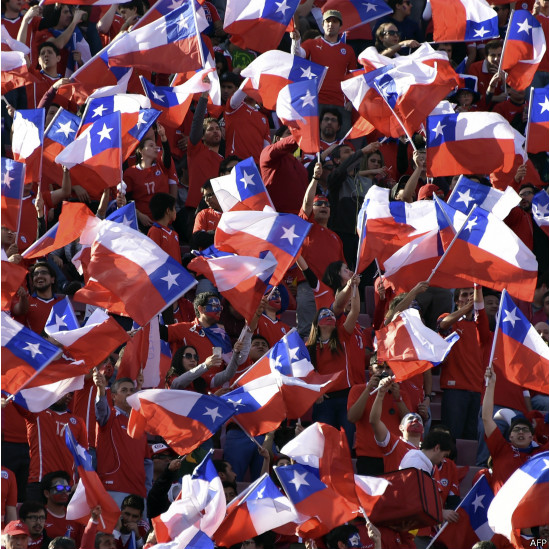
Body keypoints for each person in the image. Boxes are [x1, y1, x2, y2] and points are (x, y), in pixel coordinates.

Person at [306, 273, 361, 450]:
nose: (329, 315)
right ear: (317, 323)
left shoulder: (343, 335)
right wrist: (315, 393)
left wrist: (355, 287)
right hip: (324, 402)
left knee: (346, 445)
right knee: (325, 447)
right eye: (324, 314)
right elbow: (306, 374)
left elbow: (355, 311)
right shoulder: (309, 347)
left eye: (331, 314)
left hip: (346, 399)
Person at [296, 162, 345, 338]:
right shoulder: (307, 226)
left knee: (331, 334)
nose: (324, 206)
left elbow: (343, 268)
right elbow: (306, 202)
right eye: (319, 204)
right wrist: (315, 178)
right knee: (306, 332)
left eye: (327, 204)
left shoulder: (336, 237)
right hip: (309, 287)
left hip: (331, 290)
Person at [482, 367, 549, 493]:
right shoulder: (500, 449)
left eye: (525, 430)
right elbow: (486, 418)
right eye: (517, 429)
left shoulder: (541, 453)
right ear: (510, 436)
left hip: (530, 504)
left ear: (531, 437)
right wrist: (490, 386)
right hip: (502, 505)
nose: (521, 432)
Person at [12, 392, 88, 502]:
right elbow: (16, 396)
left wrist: (82, 482)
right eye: (66, 391)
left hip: (66, 486)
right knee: (35, 514)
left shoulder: (78, 422)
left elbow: (84, 457)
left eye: (71, 393)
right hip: (39, 482)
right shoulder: (36, 414)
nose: (69, 396)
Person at [291, 10, 357, 135]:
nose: (331, 24)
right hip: (314, 101)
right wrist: (296, 41)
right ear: (322, 25)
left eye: (335, 21)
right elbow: (297, 56)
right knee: (314, 140)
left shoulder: (348, 50)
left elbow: (353, 78)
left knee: (342, 142)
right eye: (328, 21)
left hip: (340, 103)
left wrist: (351, 100)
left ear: (340, 26)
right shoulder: (311, 44)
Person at [437, 286, 490, 441]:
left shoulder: (479, 325)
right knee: (451, 438)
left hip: (476, 390)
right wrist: (466, 308)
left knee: (470, 440)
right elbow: (442, 325)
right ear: (456, 300)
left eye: (472, 295)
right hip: (455, 389)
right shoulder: (449, 318)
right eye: (464, 295)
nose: (469, 298)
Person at [93, 374, 151, 508]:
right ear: (113, 396)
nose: (129, 393)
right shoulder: (109, 417)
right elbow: (101, 409)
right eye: (124, 390)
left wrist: (147, 492)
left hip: (139, 493)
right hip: (113, 489)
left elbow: (147, 462)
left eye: (131, 390)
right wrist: (101, 390)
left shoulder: (140, 424)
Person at [124, 125, 176, 230]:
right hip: (143, 224)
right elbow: (127, 200)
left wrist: (163, 137)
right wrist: (139, 215)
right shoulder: (130, 173)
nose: (155, 148)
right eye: (151, 146)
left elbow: (167, 158)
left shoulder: (161, 166)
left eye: (155, 146)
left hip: (164, 223)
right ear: (141, 151)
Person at [259, 126, 309, 215]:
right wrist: (300, 134)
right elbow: (282, 145)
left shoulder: (300, 166)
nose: (292, 136)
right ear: (278, 138)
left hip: (299, 218)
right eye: (289, 133)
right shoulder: (268, 153)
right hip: (277, 217)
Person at [12, 262, 66, 334]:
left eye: (44, 273)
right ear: (33, 282)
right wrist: (23, 297)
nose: (39, 276)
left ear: (52, 279)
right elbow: (21, 310)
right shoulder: (25, 301)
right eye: (35, 274)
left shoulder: (63, 304)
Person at [40, 471, 82, 542]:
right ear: (47, 493)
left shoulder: (74, 518)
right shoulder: (38, 515)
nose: (64, 492)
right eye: (59, 488)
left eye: (67, 488)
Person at [147, 192, 181, 264]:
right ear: (168, 211)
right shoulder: (154, 231)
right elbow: (153, 258)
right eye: (174, 208)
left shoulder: (174, 234)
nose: (175, 211)